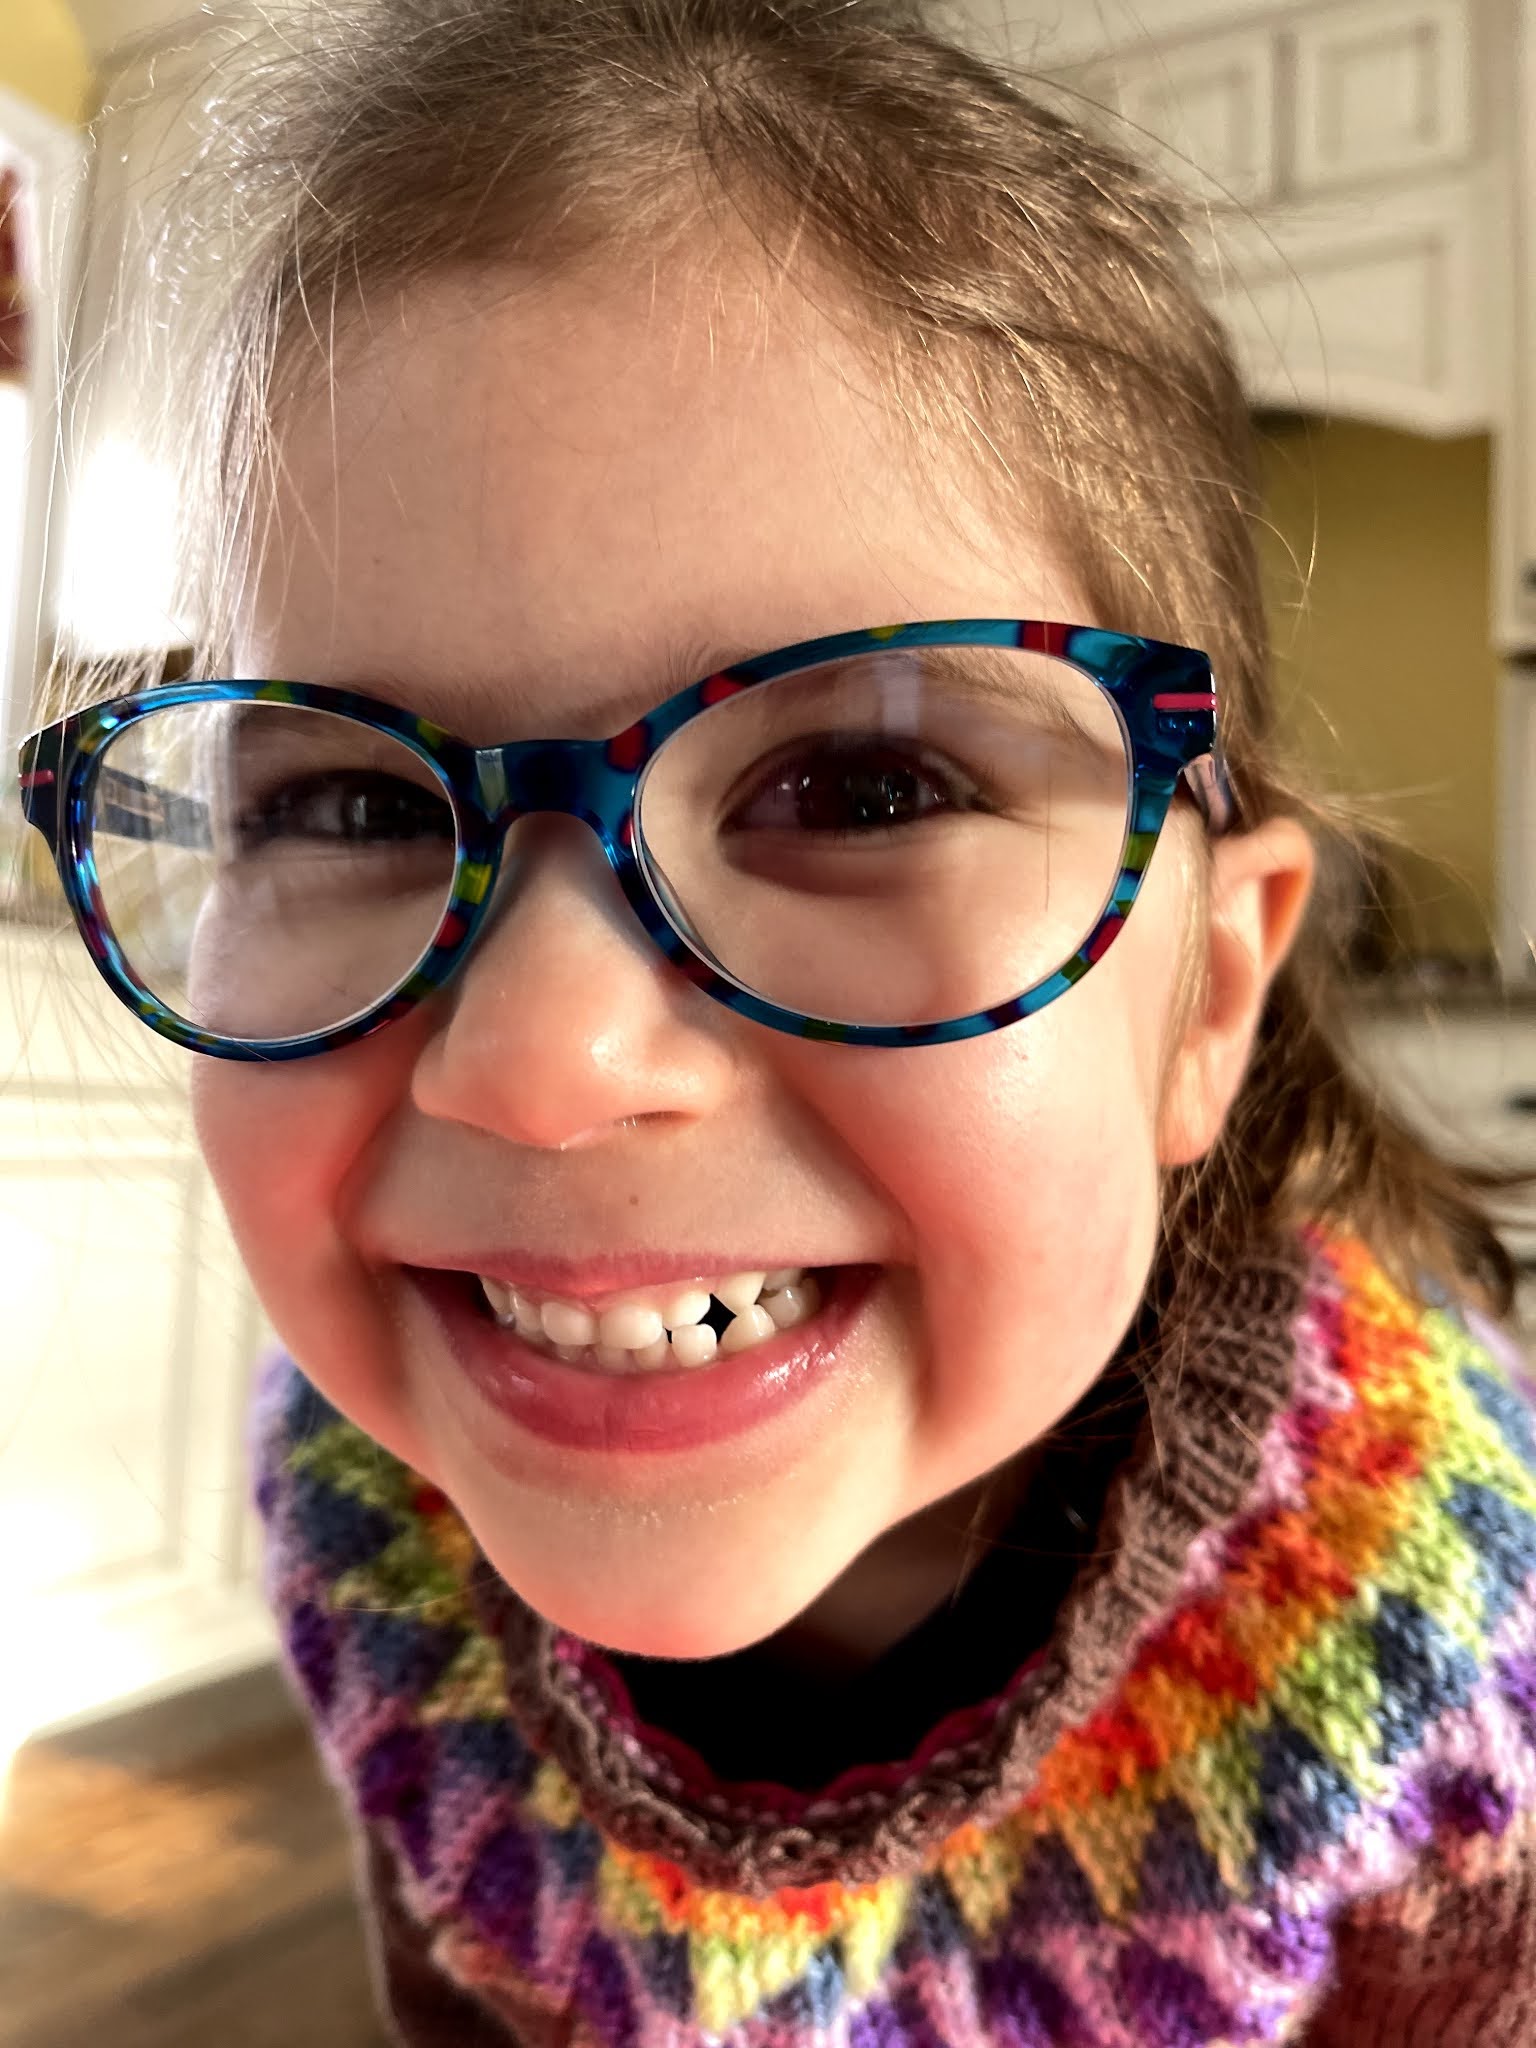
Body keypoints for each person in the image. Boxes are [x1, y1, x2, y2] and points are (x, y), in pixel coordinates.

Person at [18, 2, 1536, 2040]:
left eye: (865, 787)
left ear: (1212, 1000)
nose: (541, 1061)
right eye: (356, 806)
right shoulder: (370, 1507)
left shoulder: (1451, 1657)